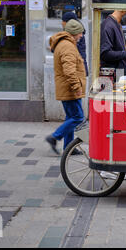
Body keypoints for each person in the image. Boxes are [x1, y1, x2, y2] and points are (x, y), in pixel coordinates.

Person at [45, 19, 86, 155]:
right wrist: (76, 86)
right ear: (74, 33)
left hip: (67, 88)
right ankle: (55, 136)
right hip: (70, 89)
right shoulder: (67, 46)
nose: (81, 36)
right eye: (80, 33)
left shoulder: (65, 44)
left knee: (71, 117)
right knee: (78, 117)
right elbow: (69, 70)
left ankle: (69, 148)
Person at [61, 11, 88, 76]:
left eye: (63, 21)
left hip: (76, 69)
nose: (62, 23)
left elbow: (80, 53)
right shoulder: (74, 34)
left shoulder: (75, 36)